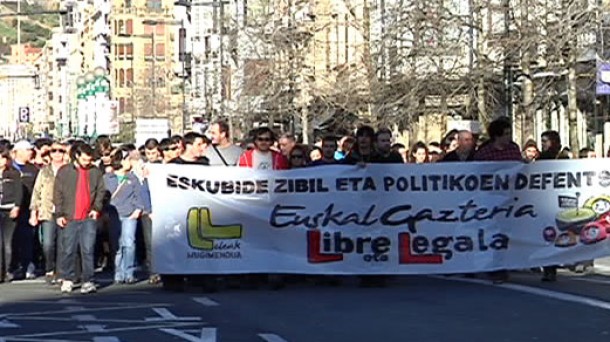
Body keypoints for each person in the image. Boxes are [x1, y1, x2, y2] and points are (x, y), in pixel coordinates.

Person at [474, 118, 522, 284]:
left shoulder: (514, 149)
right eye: (506, 134)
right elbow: (476, 174)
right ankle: (495, 267)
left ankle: (506, 263)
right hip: (491, 199)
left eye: (510, 133)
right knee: (494, 233)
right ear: (496, 136)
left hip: (511, 198)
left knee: (508, 232)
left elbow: (520, 170)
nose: (509, 137)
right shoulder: (484, 153)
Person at [54, 142, 106, 294]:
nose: (87, 163)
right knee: (68, 249)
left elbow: (100, 191)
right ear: (76, 156)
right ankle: (68, 278)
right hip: (70, 216)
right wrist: (59, 214)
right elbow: (58, 193)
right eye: (84, 160)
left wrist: (96, 208)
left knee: (88, 249)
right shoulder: (64, 171)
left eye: (89, 160)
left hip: (88, 216)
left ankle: (88, 280)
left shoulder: (95, 172)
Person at [105, 147, 145, 284]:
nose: (130, 162)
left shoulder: (133, 178)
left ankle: (129, 272)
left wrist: (138, 209)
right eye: (128, 159)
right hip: (113, 214)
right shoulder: (108, 178)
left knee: (129, 243)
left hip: (129, 214)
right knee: (117, 244)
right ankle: (118, 272)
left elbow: (139, 195)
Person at [29, 141, 67, 284]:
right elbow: (37, 192)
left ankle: (60, 271)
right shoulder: (44, 171)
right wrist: (34, 212)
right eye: (54, 151)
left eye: (60, 151)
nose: (57, 154)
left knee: (63, 244)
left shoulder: (68, 170)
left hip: (64, 212)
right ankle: (49, 268)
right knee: (48, 244)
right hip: (47, 212)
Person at [538, 130, 570, 282]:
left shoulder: (563, 157)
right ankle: (549, 268)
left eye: (546, 141)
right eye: (542, 141)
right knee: (547, 235)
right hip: (545, 202)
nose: (543, 144)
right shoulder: (541, 158)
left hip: (561, 201)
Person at [11, 140, 39, 280]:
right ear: (19, 151)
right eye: (28, 150)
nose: (30, 152)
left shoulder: (33, 169)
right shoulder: (9, 168)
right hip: (9, 209)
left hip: (28, 209)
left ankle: (28, 266)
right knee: (11, 240)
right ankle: (13, 266)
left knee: (28, 239)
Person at [0, 145, 22, 283]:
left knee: (7, 242)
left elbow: (19, 191)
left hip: (9, 208)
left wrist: (17, 206)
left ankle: (7, 270)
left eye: (2, 158)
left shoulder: (13, 173)